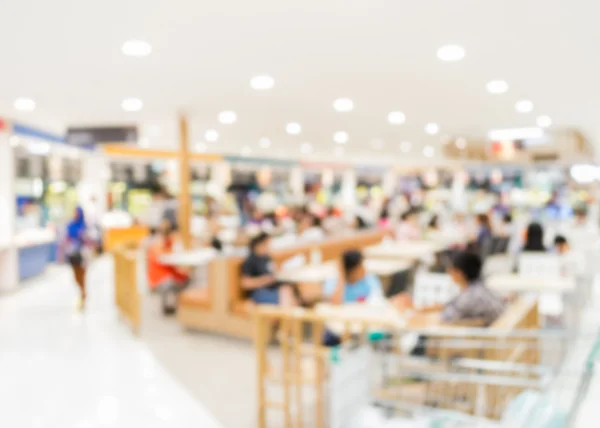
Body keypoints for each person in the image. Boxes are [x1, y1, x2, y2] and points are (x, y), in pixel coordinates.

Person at [416, 251, 505, 326]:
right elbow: (451, 305)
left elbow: (444, 318)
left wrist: (410, 314)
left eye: (451, 269)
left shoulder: (469, 297)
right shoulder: (481, 290)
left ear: (459, 273)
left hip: (471, 341)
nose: (448, 272)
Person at [241, 232, 297, 307]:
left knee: (290, 290)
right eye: (267, 244)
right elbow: (245, 283)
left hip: (273, 288)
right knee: (285, 293)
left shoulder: (267, 258)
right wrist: (265, 280)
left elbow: (273, 271)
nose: (268, 247)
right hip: (260, 292)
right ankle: (286, 316)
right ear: (259, 244)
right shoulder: (251, 260)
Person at [147, 218, 190, 314]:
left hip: (170, 271)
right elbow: (160, 257)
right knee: (169, 282)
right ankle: (166, 307)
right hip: (160, 275)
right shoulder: (156, 243)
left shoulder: (171, 241)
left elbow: (176, 253)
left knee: (186, 278)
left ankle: (182, 305)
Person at [65, 207, 89, 309]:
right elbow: (67, 238)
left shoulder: (84, 225)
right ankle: (82, 293)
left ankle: (83, 295)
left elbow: (88, 239)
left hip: (83, 254)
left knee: (82, 276)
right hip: (73, 255)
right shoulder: (71, 225)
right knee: (76, 277)